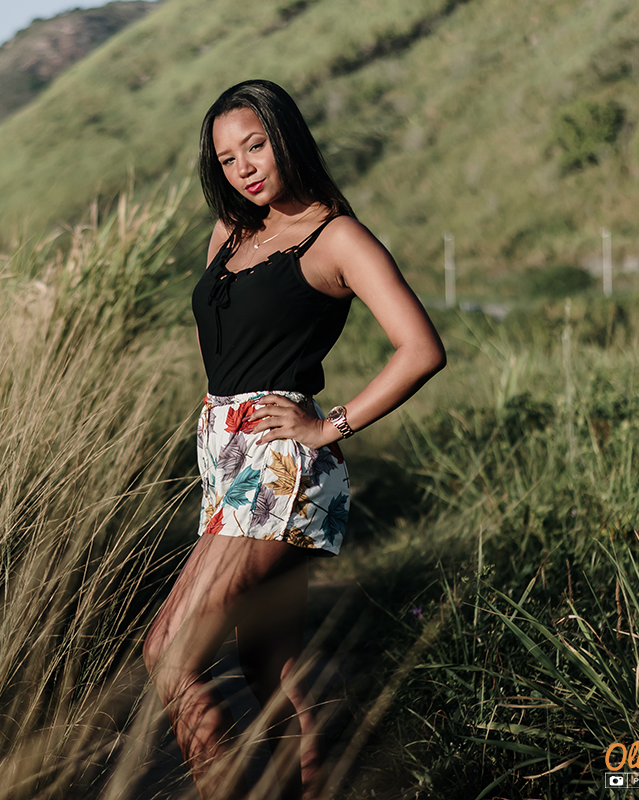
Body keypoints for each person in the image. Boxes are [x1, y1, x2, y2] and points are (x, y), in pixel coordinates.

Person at [142, 80, 446, 799]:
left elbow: (420, 349)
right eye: (226, 158)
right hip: (227, 459)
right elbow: (221, 341)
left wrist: (328, 425)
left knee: (169, 653)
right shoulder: (230, 232)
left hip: (281, 464)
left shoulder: (336, 237)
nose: (243, 167)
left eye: (255, 146)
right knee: (271, 670)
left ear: (287, 138)